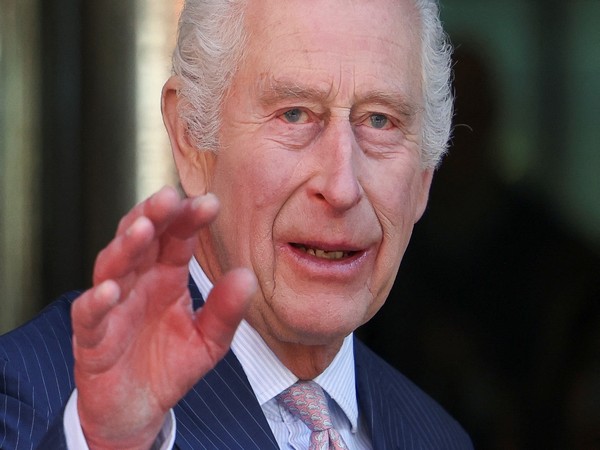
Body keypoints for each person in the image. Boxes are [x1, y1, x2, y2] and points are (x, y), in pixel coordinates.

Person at [0, 0, 473, 448]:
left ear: (425, 175)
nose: (342, 186)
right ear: (191, 138)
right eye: (294, 114)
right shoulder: (37, 396)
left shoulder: (436, 436)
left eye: (379, 121)